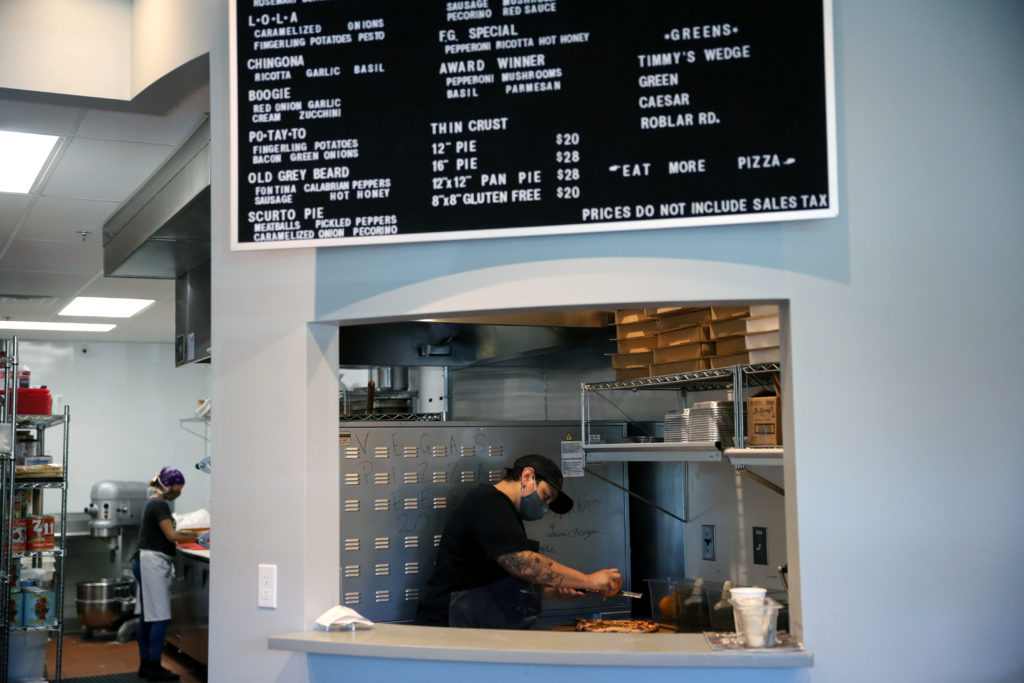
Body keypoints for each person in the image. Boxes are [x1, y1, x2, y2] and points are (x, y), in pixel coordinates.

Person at [415, 453, 622, 628]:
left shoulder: (505, 512)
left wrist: (553, 590)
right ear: (527, 476)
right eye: (546, 496)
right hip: (450, 628)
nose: (544, 507)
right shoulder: (488, 502)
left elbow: (496, 580)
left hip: (476, 626)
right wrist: (589, 580)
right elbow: (524, 564)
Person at [131, 467, 198, 681]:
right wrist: (199, 537)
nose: (179, 492)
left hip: (146, 561)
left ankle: (146, 664)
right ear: (168, 485)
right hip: (152, 562)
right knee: (160, 617)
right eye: (178, 489)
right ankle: (154, 667)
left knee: (148, 616)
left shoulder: (154, 501)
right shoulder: (159, 504)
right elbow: (171, 535)